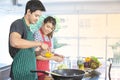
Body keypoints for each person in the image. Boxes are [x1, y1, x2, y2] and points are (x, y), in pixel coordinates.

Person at [8, 0, 48, 80]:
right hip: (20, 74)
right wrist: (39, 43)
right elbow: (14, 42)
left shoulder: (29, 30)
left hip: (30, 74)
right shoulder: (18, 23)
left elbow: (29, 52)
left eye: (39, 16)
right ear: (28, 11)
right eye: (36, 15)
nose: (37, 19)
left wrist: (40, 52)